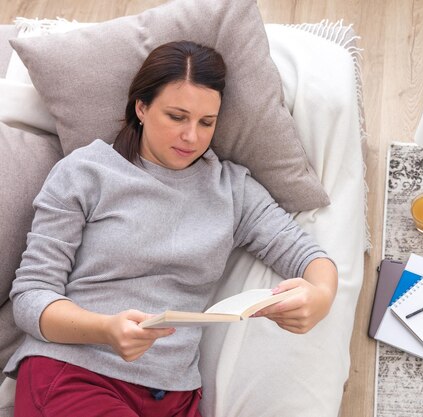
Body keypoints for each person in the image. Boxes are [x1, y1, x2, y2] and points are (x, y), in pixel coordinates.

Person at [4, 40, 337, 417]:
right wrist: (105, 330)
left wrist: (321, 295)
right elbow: (31, 297)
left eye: (206, 122)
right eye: (177, 117)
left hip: (175, 395)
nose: (191, 137)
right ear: (141, 108)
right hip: (76, 372)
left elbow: (308, 256)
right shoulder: (86, 172)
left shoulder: (232, 191)